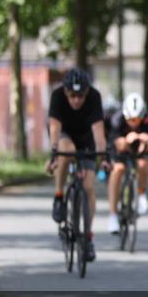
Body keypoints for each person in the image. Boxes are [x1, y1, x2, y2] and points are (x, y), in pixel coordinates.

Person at [46, 67, 108, 263]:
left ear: (87, 92)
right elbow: (54, 127)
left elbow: (98, 132)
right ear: (65, 92)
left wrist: (103, 157)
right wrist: (54, 153)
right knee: (68, 150)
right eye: (72, 95)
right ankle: (59, 196)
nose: (76, 100)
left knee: (88, 187)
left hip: (86, 139)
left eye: (80, 96)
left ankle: (88, 237)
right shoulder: (57, 96)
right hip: (65, 137)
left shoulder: (95, 97)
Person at [105, 93, 148, 234]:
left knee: (143, 164)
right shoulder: (117, 120)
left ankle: (141, 192)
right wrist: (127, 140)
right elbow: (119, 145)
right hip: (120, 146)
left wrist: (145, 142)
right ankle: (113, 215)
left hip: (138, 146)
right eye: (131, 119)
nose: (134, 122)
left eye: (137, 119)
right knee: (118, 169)